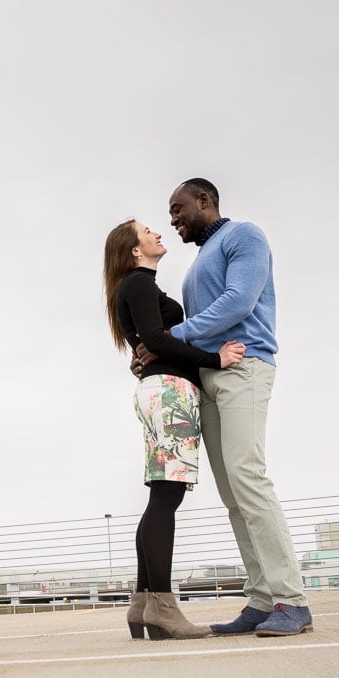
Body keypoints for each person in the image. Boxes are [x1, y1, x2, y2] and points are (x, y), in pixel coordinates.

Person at [135, 177, 312, 637]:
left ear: (204, 200)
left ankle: (291, 599)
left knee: (249, 477)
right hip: (210, 378)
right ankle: (261, 599)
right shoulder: (198, 263)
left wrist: (166, 339)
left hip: (246, 365)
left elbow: (239, 302)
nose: (173, 220)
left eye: (177, 210)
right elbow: (199, 328)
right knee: (233, 493)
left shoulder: (244, 235)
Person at [104, 218, 245, 641]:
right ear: (133, 249)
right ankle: (163, 607)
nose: (158, 233)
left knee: (161, 496)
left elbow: (152, 342)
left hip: (159, 390)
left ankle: (143, 605)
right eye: (148, 231)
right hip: (168, 392)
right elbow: (157, 340)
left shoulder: (137, 287)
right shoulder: (138, 284)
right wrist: (214, 359)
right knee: (166, 497)